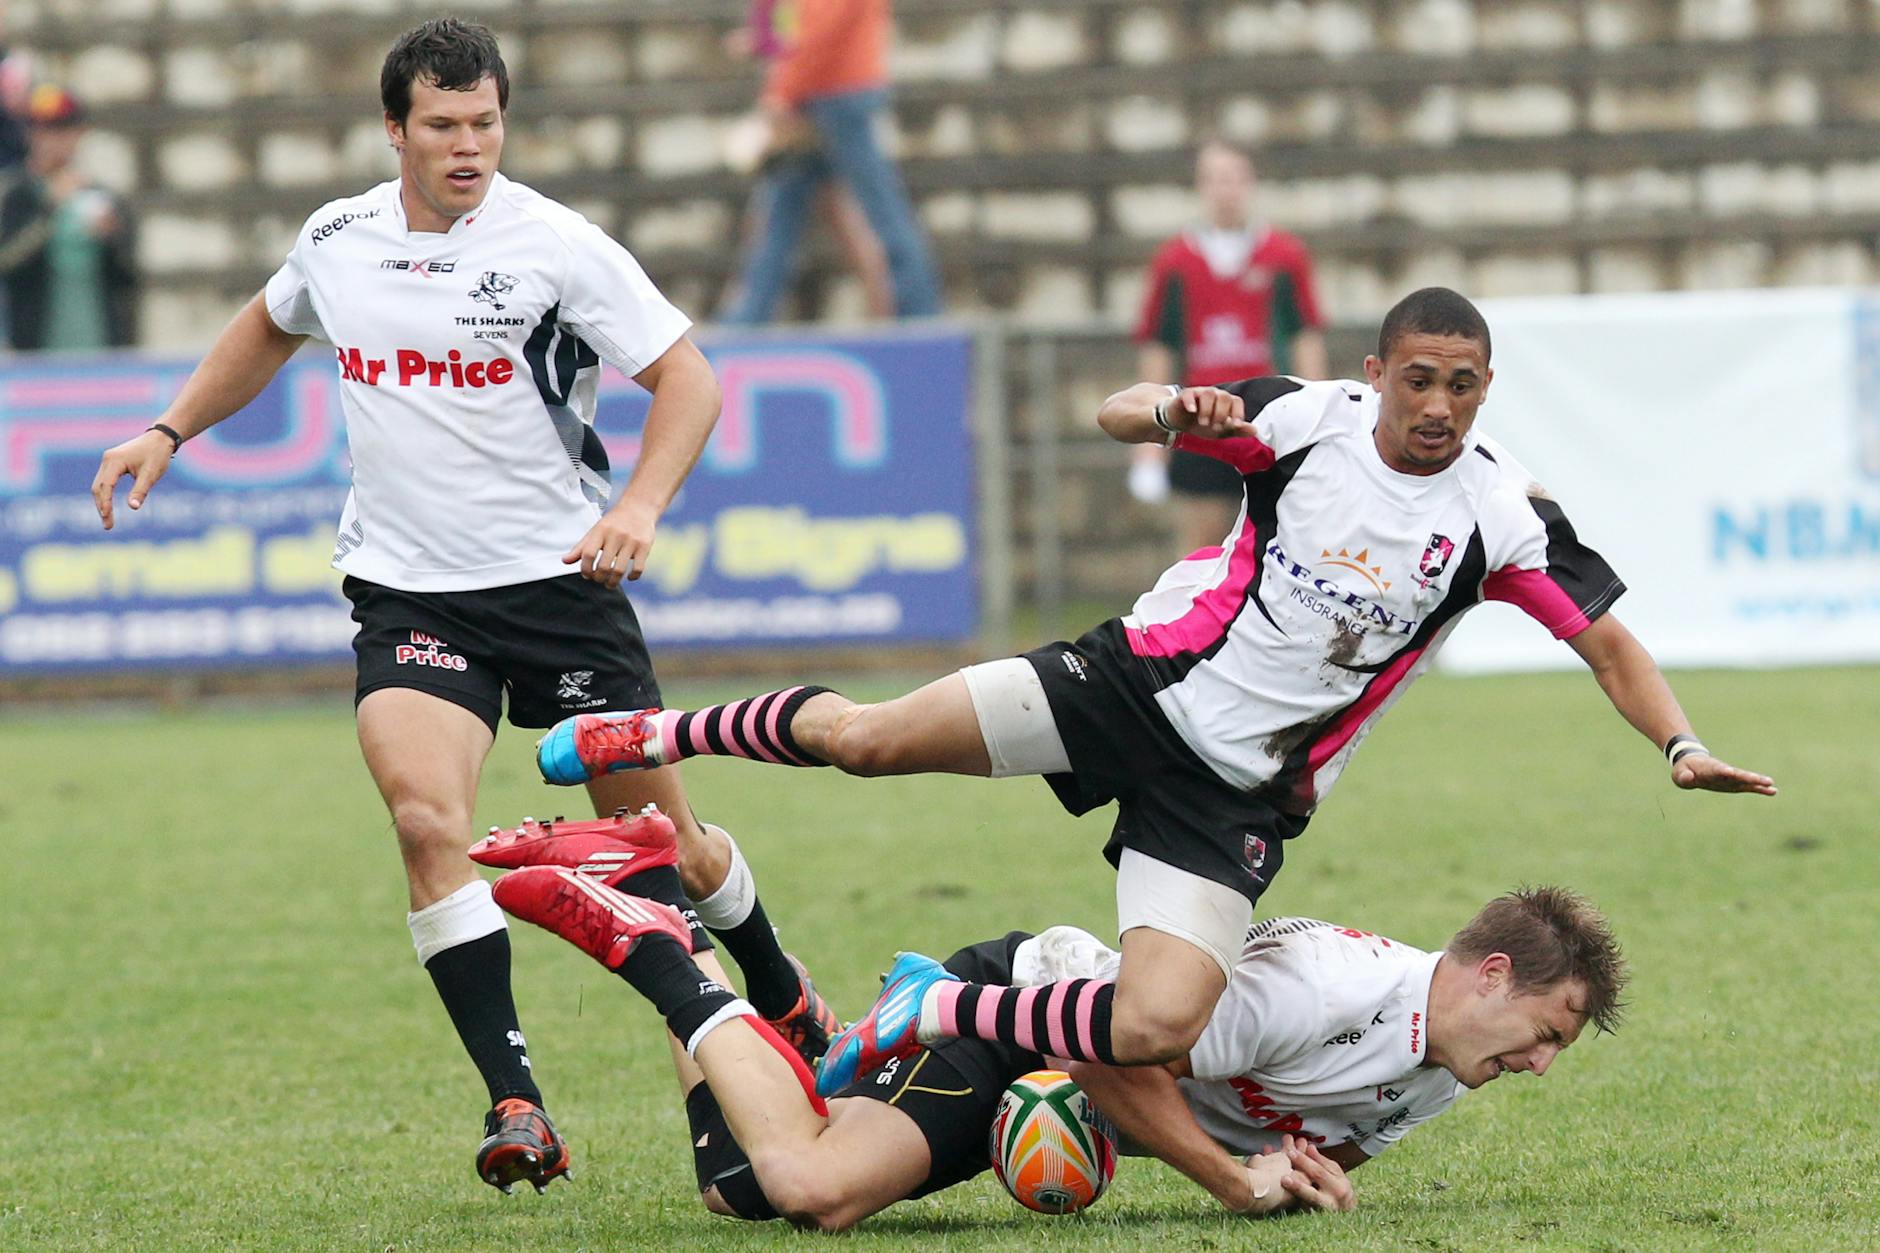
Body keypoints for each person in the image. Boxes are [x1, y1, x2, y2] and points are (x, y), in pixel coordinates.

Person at [529, 285, 1773, 1096]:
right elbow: (1123, 409)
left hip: (1234, 792)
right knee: (866, 739)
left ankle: (926, 1003)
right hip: (1129, 684)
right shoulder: (1303, 423)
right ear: (1375, 371)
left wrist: (1677, 744)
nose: (1436, 404)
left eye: (1461, 383)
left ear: (1485, 390)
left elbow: (1604, 639)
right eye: (1417, 378)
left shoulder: (1501, 516)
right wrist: (1164, 411)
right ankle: (654, 729)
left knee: (1155, 1025)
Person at [87, 18, 835, 1194]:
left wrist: (637, 504)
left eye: (484, 122)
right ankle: (517, 1100)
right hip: (408, 592)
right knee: (428, 823)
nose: (468, 146)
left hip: (561, 590)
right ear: (395, 130)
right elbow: (268, 324)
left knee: (658, 856)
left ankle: (777, 983)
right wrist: (169, 427)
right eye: (442, 125)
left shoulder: (554, 243)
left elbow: (687, 376)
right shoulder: (337, 238)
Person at [470, 812, 1626, 1229]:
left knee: (733, 1183)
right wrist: (1229, 1184)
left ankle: (708, 909)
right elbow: (1106, 1048)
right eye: (1547, 1032)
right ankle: (651, 941)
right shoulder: (1320, 991)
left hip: (1054, 1052)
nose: (1536, 1064)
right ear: (1485, 973)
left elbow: (1305, 1135)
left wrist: (1297, 1168)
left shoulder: (1445, 1057)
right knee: (809, 1187)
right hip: (1020, 1019)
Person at [1127, 138, 1328, 556]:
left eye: (1235, 178)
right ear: (1201, 186)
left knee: (1279, 546)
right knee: (1200, 547)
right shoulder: (1174, 262)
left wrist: (1317, 419)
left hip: (1270, 415)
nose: (1226, 190)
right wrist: (1150, 446)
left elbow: (1305, 337)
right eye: (1216, 179)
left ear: (1250, 183)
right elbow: (1159, 349)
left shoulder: (1284, 256)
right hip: (1198, 413)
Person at [719, 0, 941, 324]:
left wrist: (781, 93)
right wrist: (763, 43)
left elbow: (819, 30)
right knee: (782, 214)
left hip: (838, 95)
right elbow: (802, 25)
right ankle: (747, 318)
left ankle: (920, 313)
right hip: (826, 93)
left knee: (879, 211)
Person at [0, 83, 137, 351]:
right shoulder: (17, 194)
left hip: (99, 341)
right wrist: (49, 210)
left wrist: (111, 236)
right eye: (44, 131)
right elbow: (8, 263)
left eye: (63, 130)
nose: (53, 141)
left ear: (80, 134)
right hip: (35, 345)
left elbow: (129, 276)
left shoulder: (102, 195)